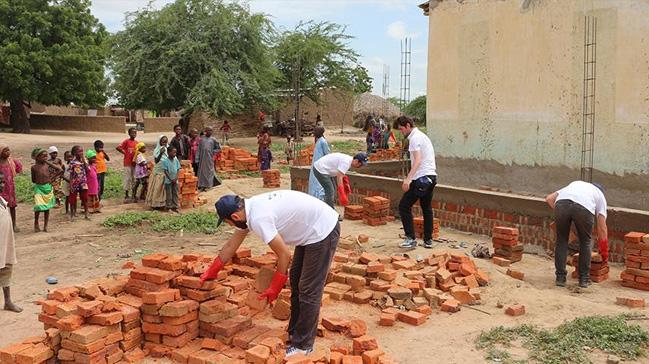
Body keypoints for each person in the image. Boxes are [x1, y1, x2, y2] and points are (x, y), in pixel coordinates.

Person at [202, 190, 340, 357]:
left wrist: (275, 288)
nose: (231, 226)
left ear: (234, 217)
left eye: (228, 223)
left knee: (308, 289)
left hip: (322, 230)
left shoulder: (259, 218)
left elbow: (284, 255)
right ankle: (294, 332)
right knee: (297, 281)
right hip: (309, 230)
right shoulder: (249, 209)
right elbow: (232, 245)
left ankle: (303, 345)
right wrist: (211, 272)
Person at [545, 181, 609, 288]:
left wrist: (565, 216)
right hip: (583, 208)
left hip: (561, 205)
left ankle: (560, 278)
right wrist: (604, 252)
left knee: (562, 240)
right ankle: (584, 279)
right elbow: (602, 228)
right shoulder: (600, 195)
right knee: (585, 242)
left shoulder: (576, 184)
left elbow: (549, 199)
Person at [396, 116, 438, 250]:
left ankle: (411, 238)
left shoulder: (414, 138)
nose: (401, 132)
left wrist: (408, 179)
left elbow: (418, 160)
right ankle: (428, 240)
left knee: (404, 206)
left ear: (408, 126)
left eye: (402, 129)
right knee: (426, 208)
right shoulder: (422, 136)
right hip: (431, 177)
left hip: (422, 178)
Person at [0, 172, 21, 312]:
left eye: (2, 182)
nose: (2, 185)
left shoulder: (2, 199)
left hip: (5, 245)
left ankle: (7, 301)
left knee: (6, 270)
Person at [31, 148, 60, 232]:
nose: (45, 158)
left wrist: (51, 178)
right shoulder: (34, 167)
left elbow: (59, 170)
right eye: (43, 156)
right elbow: (33, 180)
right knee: (38, 206)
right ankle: (36, 223)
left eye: (46, 156)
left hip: (47, 187)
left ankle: (45, 225)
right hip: (39, 188)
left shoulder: (48, 165)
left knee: (47, 207)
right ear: (37, 157)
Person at [0, 144, 23, 232]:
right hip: (1, 188)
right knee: (2, 206)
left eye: (8, 150)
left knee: (12, 206)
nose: (8, 152)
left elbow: (19, 168)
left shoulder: (11, 161)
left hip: (10, 187)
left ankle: (13, 224)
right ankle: (3, 226)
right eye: (5, 151)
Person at [116, 127, 139, 203]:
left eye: (135, 133)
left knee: (134, 179)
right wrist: (124, 153)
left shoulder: (137, 143)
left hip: (134, 164)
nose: (134, 134)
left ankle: (133, 194)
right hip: (127, 163)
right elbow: (118, 147)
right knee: (127, 178)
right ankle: (126, 194)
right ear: (129, 133)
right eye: (132, 133)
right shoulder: (126, 141)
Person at [145, 136, 168, 210]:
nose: (164, 143)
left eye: (166, 142)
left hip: (165, 172)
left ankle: (162, 204)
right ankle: (154, 204)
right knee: (157, 188)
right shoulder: (157, 150)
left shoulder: (168, 149)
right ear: (159, 142)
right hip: (158, 172)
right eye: (163, 142)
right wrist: (161, 153)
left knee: (162, 189)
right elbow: (156, 161)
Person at [307, 126, 330, 200]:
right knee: (313, 181)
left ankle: (319, 198)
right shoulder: (319, 140)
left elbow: (327, 154)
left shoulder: (323, 141)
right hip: (315, 164)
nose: (314, 133)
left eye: (316, 132)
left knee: (318, 183)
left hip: (321, 166)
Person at [197, 126, 221, 191]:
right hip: (202, 158)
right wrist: (197, 158)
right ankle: (202, 185)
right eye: (208, 130)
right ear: (205, 131)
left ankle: (209, 186)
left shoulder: (213, 139)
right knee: (202, 172)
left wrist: (213, 152)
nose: (209, 132)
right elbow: (198, 149)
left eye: (211, 130)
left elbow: (218, 148)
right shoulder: (202, 139)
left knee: (209, 172)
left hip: (209, 158)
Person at [69, 145, 89, 220]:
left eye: (82, 151)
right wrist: (71, 184)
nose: (81, 153)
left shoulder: (84, 161)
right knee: (73, 199)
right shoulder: (72, 163)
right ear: (74, 153)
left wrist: (84, 161)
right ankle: (72, 214)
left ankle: (86, 214)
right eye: (79, 151)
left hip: (83, 182)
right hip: (74, 182)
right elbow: (71, 174)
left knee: (85, 199)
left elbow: (87, 170)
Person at [163, 146, 181, 213]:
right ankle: (169, 207)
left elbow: (178, 169)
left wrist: (176, 177)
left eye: (175, 153)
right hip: (168, 181)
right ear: (168, 152)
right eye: (173, 152)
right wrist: (170, 179)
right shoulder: (165, 161)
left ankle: (175, 206)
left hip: (175, 180)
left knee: (175, 193)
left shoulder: (176, 160)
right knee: (169, 194)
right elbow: (165, 171)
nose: (174, 154)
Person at [61, 151, 73, 215]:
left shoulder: (74, 165)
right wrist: (68, 180)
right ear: (65, 158)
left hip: (73, 183)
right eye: (68, 157)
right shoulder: (64, 165)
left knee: (73, 196)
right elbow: (61, 175)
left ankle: (73, 210)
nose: (70, 158)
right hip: (66, 183)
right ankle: (67, 210)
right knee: (67, 197)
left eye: (71, 157)